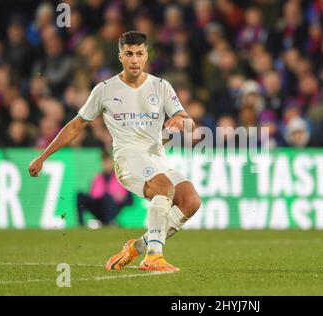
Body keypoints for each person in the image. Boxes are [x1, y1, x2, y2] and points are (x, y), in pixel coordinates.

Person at [28, 31, 201, 273]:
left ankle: (136, 248)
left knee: (190, 201)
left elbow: (189, 122)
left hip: (157, 159)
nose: (134, 59)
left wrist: (182, 123)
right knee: (165, 189)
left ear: (146, 56)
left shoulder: (161, 86)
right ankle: (153, 256)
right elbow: (76, 125)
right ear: (120, 56)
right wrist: (43, 156)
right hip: (128, 160)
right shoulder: (105, 90)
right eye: (129, 54)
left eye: (139, 54)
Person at [77, 151, 133, 227]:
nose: (107, 164)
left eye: (108, 162)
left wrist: (122, 199)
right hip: (99, 206)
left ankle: (109, 222)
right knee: (80, 195)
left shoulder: (120, 179)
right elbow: (92, 195)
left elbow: (130, 201)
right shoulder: (97, 178)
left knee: (107, 197)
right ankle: (81, 224)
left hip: (113, 207)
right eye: (105, 162)